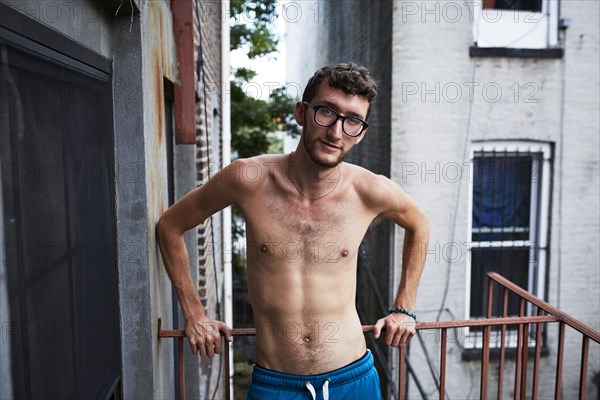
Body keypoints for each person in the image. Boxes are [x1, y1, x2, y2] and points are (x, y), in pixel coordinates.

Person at [156, 62, 430, 399]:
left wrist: (404, 307)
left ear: (361, 132)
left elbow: (420, 224)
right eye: (326, 112)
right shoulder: (248, 180)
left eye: (352, 121)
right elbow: (170, 225)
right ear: (302, 112)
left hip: (354, 380)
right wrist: (195, 314)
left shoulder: (370, 191)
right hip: (276, 385)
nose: (336, 132)